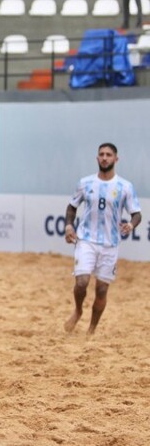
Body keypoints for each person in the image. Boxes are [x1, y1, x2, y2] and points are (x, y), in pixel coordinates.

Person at [63, 142, 142, 335]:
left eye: (108, 154)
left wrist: (131, 224)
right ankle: (78, 310)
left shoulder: (125, 186)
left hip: (110, 243)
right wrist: (68, 225)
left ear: (116, 159)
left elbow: (137, 213)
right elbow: (72, 207)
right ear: (97, 158)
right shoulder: (85, 183)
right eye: (101, 154)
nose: (104, 157)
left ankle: (91, 329)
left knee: (101, 290)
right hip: (86, 240)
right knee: (81, 282)